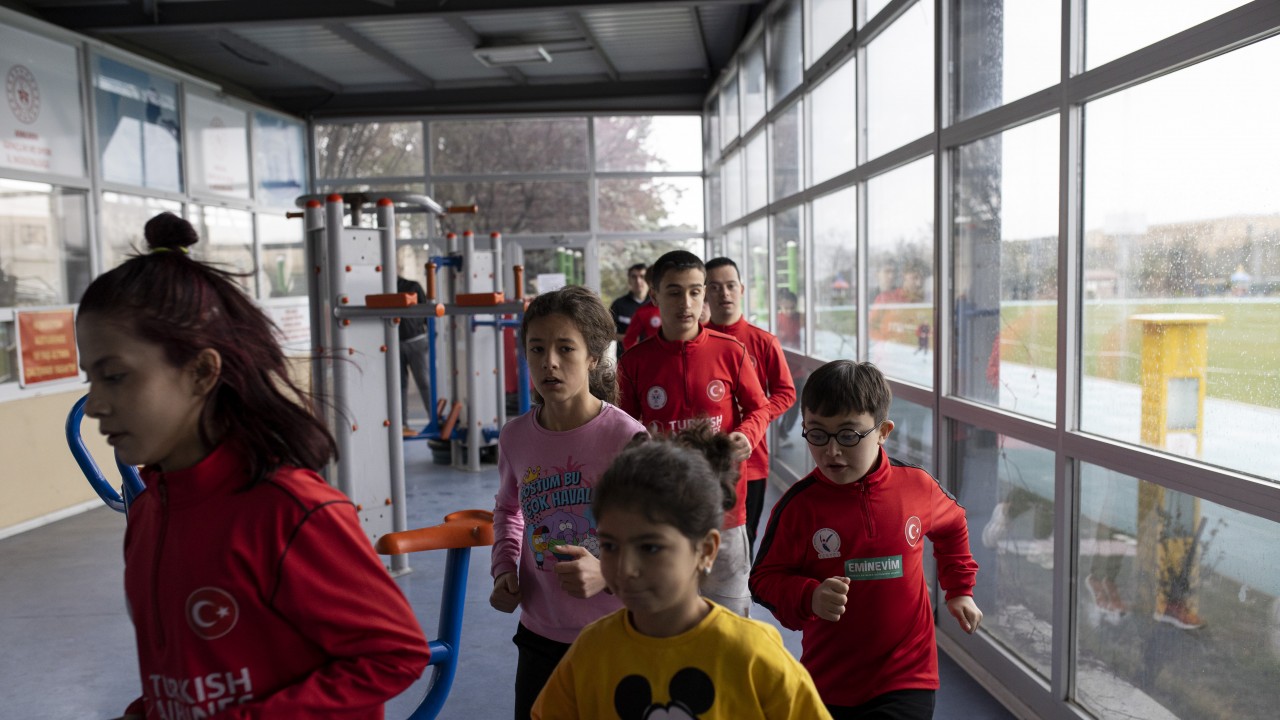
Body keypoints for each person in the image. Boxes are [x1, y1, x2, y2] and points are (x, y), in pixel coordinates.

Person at [76, 212, 430, 719]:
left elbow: (394, 655)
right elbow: (189, 676)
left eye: (114, 377)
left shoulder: (290, 512)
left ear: (201, 372)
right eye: (89, 379)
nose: (93, 405)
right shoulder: (151, 512)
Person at [531, 429, 832, 720]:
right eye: (609, 545)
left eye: (650, 548)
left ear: (706, 550)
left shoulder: (752, 654)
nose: (625, 568)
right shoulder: (592, 651)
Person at [750, 360, 983, 719]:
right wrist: (810, 596)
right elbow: (763, 581)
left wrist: (960, 589)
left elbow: (953, 524)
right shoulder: (798, 507)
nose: (832, 451)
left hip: (908, 674)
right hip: (829, 681)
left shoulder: (917, 487)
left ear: (883, 431)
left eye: (848, 435)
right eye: (817, 434)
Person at [490, 285, 647, 719]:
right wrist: (504, 568)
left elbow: (656, 538)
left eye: (565, 348)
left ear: (593, 357)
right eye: (537, 349)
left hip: (615, 633)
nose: (549, 362)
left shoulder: (626, 438)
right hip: (539, 633)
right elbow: (508, 510)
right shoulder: (515, 436)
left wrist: (607, 572)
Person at [617, 250, 771, 617]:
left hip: (725, 511)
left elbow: (760, 407)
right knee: (666, 614)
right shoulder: (635, 362)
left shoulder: (730, 351)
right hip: (662, 513)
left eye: (695, 292)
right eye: (674, 292)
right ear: (655, 296)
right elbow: (623, 426)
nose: (686, 303)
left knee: (729, 618)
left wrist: (747, 434)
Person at [704, 257, 796, 556]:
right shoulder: (697, 344)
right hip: (705, 460)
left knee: (744, 541)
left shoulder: (763, 341)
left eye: (730, 286)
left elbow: (785, 392)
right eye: (715, 287)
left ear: (741, 289)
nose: (724, 293)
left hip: (751, 459)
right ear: (704, 292)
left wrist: (754, 419)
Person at [397, 273, 432, 435]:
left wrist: (429, 335)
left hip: (416, 340)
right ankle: (401, 424)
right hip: (395, 343)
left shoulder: (413, 286)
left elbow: (427, 312)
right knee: (400, 385)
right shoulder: (384, 289)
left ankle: (434, 420)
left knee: (424, 382)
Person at [609, 263, 649, 347]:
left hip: (653, 353)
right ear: (629, 280)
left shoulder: (658, 304)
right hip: (626, 354)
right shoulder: (618, 305)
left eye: (642, 276)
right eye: (634, 277)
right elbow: (604, 332)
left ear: (649, 279)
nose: (638, 281)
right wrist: (625, 338)